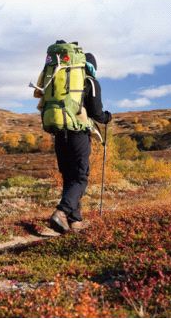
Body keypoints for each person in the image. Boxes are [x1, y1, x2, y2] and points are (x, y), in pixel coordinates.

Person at [35, 49, 111, 233]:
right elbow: (96, 112)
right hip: (78, 133)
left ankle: (75, 220)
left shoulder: (59, 78)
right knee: (80, 177)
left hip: (59, 133)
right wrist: (107, 117)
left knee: (70, 177)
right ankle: (61, 212)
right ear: (92, 66)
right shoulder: (90, 81)